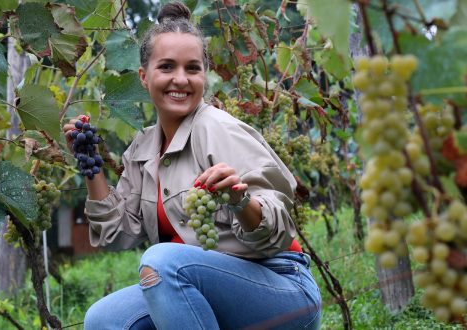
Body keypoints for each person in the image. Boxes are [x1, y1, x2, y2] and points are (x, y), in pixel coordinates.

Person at [63, 2, 321, 329]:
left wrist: (242, 201)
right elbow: (118, 236)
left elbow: (281, 226)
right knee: (102, 320)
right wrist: (91, 165)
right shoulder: (143, 148)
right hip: (205, 284)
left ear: (205, 75)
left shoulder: (217, 129)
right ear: (144, 76)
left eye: (193, 68)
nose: (180, 80)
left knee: (161, 261)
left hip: (281, 286)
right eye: (167, 67)